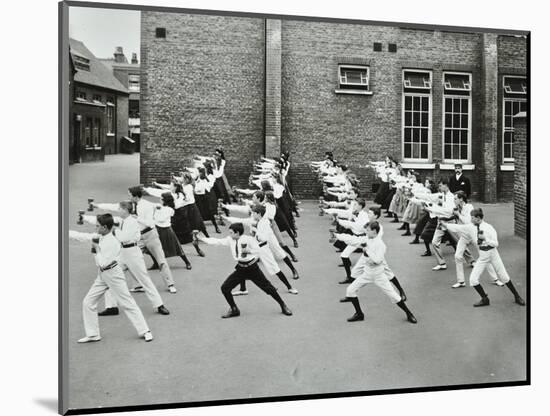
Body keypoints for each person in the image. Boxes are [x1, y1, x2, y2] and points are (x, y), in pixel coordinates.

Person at [76, 201, 171, 316]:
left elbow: (124, 237)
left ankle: (159, 305)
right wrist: (85, 217)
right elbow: (103, 222)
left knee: (144, 279)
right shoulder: (121, 221)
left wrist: (114, 230)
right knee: (110, 275)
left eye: (119, 208)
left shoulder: (133, 222)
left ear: (125, 210)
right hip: (122, 253)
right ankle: (111, 307)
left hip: (133, 253)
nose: (118, 210)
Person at [75, 214, 153, 343]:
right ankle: (93, 334)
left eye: (97, 226)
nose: (96, 228)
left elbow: (103, 263)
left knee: (127, 303)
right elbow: (83, 237)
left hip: (113, 274)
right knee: (88, 302)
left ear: (105, 227)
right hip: (102, 275)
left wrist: (97, 250)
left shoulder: (112, 242)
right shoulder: (101, 236)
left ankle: (145, 331)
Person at [198, 222, 293, 318]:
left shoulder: (249, 240)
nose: (229, 235)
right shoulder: (230, 240)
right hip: (241, 269)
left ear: (237, 233)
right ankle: (234, 309)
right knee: (225, 288)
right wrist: (201, 238)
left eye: (231, 232)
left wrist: (249, 251)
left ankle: (283, 305)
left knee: (268, 288)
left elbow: (260, 249)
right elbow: (217, 241)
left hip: (252, 268)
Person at [443, 208, 526, 307]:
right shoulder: (471, 227)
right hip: (483, 257)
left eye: (472, 218)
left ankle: (517, 296)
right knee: (473, 280)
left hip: (493, 254)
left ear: (478, 218)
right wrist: (445, 225)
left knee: (504, 276)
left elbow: (496, 243)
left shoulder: (489, 228)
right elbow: (458, 228)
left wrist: (485, 239)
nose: (471, 220)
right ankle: (485, 298)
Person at [339, 221, 417, 324]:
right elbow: (354, 240)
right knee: (350, 290)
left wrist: (366, 249)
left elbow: (378, 260)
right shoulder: (367, 238)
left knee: (394, 296)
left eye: (368, 230)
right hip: (367, 273)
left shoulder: (380, 244)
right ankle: (359, 314)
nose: (365, 232)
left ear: (374, 231)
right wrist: (338, 236)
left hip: (378, 274)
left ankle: (409, 313)